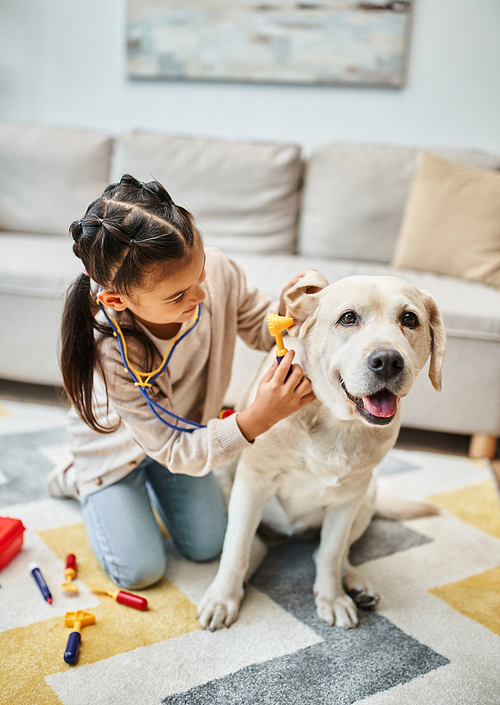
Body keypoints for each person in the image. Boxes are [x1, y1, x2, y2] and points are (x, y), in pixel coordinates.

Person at [49, 174, 315, 590]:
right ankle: (77, 478)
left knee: (208, 544)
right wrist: (257, 419)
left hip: (178, 443)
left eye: (201, 272)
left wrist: (287, 310)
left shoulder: (219, 273)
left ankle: (151, 488)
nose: (202, 297)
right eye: (178, 297)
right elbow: (174, 447)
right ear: (117, 300)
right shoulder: (111, 348)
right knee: (139, 572)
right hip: (118, 453)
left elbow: (264, 331)